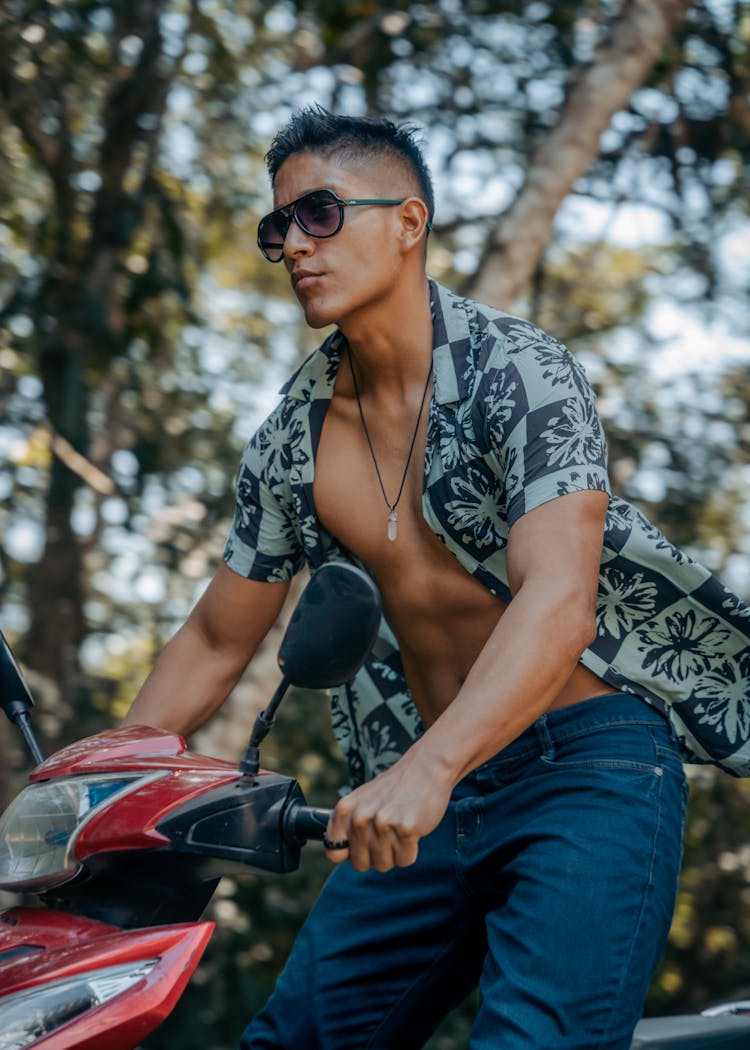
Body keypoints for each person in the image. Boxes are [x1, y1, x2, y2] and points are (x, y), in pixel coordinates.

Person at [124, 106, 750, 1049]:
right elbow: (218, 635)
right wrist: (98, 787)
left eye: (321, 214)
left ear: (408, 223)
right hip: (423, 790)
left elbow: (559, 599)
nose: (294, 244)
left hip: (586, 765)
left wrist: (428, 771)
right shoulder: (292, 439)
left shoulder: (522, 372)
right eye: (278, 226)